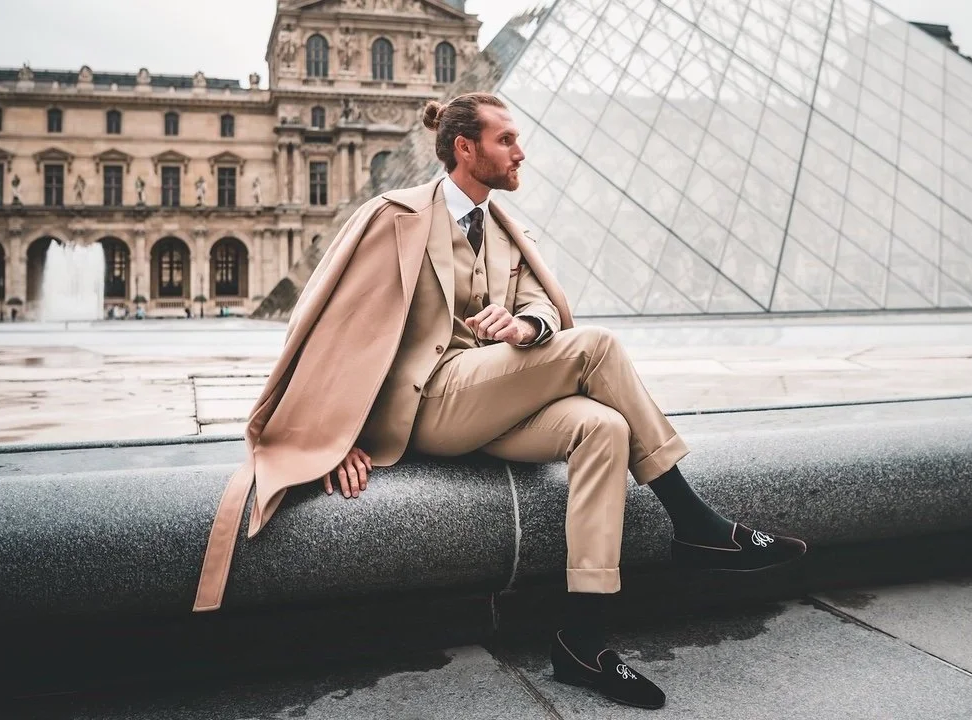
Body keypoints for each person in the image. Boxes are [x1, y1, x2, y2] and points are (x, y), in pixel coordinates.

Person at [192, 93, 807, 710]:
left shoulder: (509, 230)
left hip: (489, 399)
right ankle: (695, 523)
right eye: (506, 140)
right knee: (597, 346)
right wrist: (339, 435)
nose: (520, 152)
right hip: (429, 403)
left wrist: (525, 327)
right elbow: (336, 329)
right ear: (465, 148)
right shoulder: (396, 217)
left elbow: (541, 304)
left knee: (604, 429)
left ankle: (583, 640)